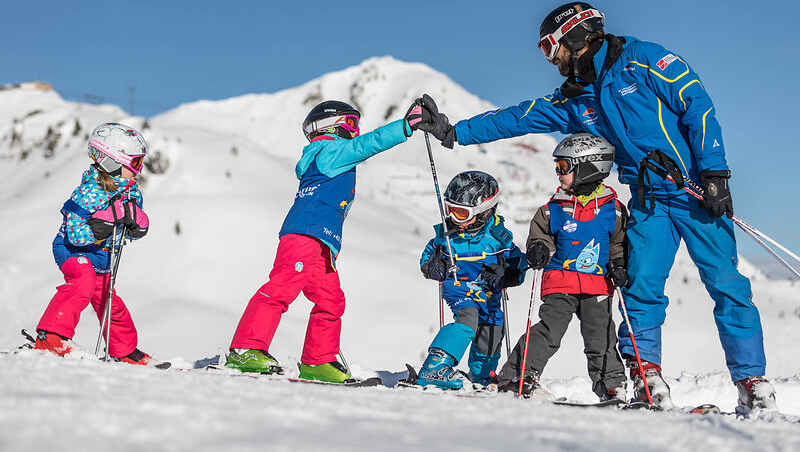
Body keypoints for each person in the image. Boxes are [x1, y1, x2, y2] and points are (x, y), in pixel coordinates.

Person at [418, 1, 775, 409]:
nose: (552, 59)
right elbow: (516, 118)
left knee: (728, 286)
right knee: (641, 290)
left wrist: (715, 173)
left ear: (575, 36)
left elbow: (697, 103)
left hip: (696, 193)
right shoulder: (574, 98)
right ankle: (647, 376)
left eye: (551, 48)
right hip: (649, 203)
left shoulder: (644, 60)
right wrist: (454, 132)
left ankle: (752, 382)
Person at [226, 98, 435, 382]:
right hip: (305, 235)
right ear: (328, 126)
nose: (356, 131)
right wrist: (405, 126)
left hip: (321, 243)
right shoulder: (330, 151)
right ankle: (246, 349)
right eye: (351, 123)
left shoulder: (327, 154)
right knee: (281, 288)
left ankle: (318, 361)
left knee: (331, 300)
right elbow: (368, 144)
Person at [495, 133, 627, 402]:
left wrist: (618, 263)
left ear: (589, 167)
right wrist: (539, 248)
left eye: (563, 167)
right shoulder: (552, 209)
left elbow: (618, 242)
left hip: (597, 284)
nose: (558, 173)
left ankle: (612, 386)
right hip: (561, 281)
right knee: (549, 330)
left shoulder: (614, 210)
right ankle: (518, 376)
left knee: (601, 336)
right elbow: (540, 235)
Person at [35, 123, 156, 365]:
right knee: (83, 283)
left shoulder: (132, 193)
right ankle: (51, 336)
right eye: (135, 163)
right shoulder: (89, 191)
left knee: (109, 299)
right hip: (71, 250)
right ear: (111, 161)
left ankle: (124, 350)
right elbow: (75, 235)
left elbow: (127, 233)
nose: (139, 169)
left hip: (103, 256)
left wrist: (136, 226)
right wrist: (104, 222)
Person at [414, 171, 526, 390]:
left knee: (492, 330)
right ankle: (435, 366)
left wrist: (508, 274)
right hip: (459, 288)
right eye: (450, 210)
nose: (454, 218)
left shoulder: (497, 238)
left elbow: (517, 262)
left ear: (484, 211)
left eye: (461, 213)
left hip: (488, 293)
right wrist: (433, 266)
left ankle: (482, 375)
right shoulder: (446, 236)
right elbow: (427, 259)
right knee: (468, 319)